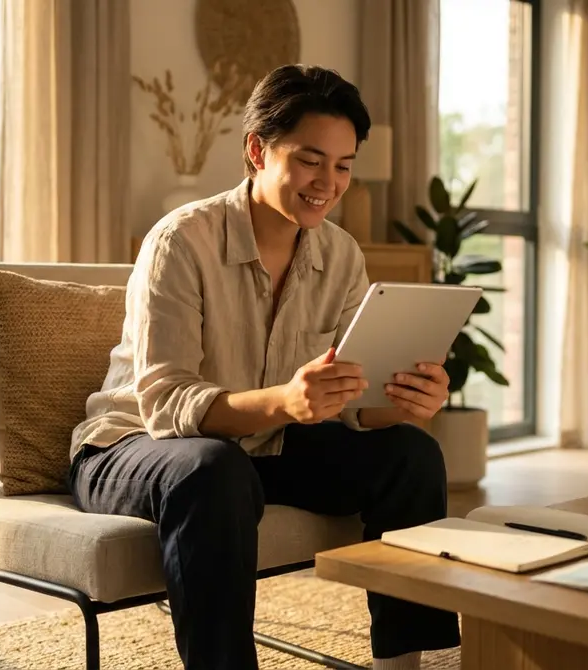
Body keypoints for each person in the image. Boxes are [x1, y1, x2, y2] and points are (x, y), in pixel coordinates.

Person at [69, 64, 461, 670]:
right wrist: (285, 401)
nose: (327, 182)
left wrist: (408, 398)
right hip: (135, 448)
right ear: (257, 150)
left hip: (263, 447)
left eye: (343, 165)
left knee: (410, 453)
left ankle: (403, 662)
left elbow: (357, 403)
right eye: (310, 160)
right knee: (212, 466)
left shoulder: (341, 253)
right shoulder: (181, 242)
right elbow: (166, 405)